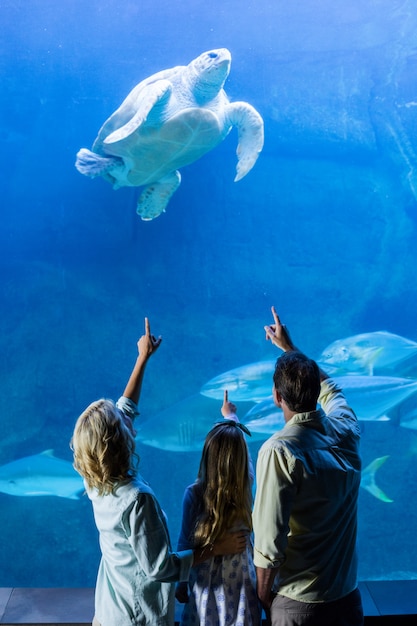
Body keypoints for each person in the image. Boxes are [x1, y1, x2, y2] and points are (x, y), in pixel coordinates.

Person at [71, 318, 247, 626]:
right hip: (139, 618)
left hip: (109, 611)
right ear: (121, 440)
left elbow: (125, 409)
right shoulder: (138, 500)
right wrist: (214, 549)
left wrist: (142, 359)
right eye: (123, 421)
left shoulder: (94, 480)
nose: (129, 417)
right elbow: (160, 568)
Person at [252, 307, 364, 626]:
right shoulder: (348, 431)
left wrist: (264, 596)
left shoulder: (280, 450)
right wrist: (291, 349)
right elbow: (334, 392)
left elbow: (269, 539)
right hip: (348, 601)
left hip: (299, 604)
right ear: (315, 391)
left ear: (276, 396)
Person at [175, 390, 261, 626]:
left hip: (206, 593)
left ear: (206, 456)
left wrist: (181, 583)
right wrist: (231, 416)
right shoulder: (246, 486)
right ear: (242, 459)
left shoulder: (193, 494)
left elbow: (184, 544)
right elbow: (245, 454)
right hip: (242, 591)